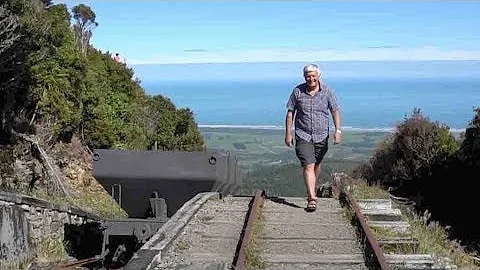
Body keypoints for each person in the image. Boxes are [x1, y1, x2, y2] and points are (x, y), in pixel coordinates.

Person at [285, 63, 342, 212]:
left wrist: (338, 130)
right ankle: (312, 198)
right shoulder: (297, 91)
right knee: (308, 165)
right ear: (304, 77)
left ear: (318, 76)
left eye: (313, 76)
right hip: (302, 135)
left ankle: (312, 188)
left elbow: (335, 110)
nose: (311, 79)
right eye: (308, 76)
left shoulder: (328, 91)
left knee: (316, 165)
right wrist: (288, 133)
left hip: (321, 136)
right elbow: (290, 112)